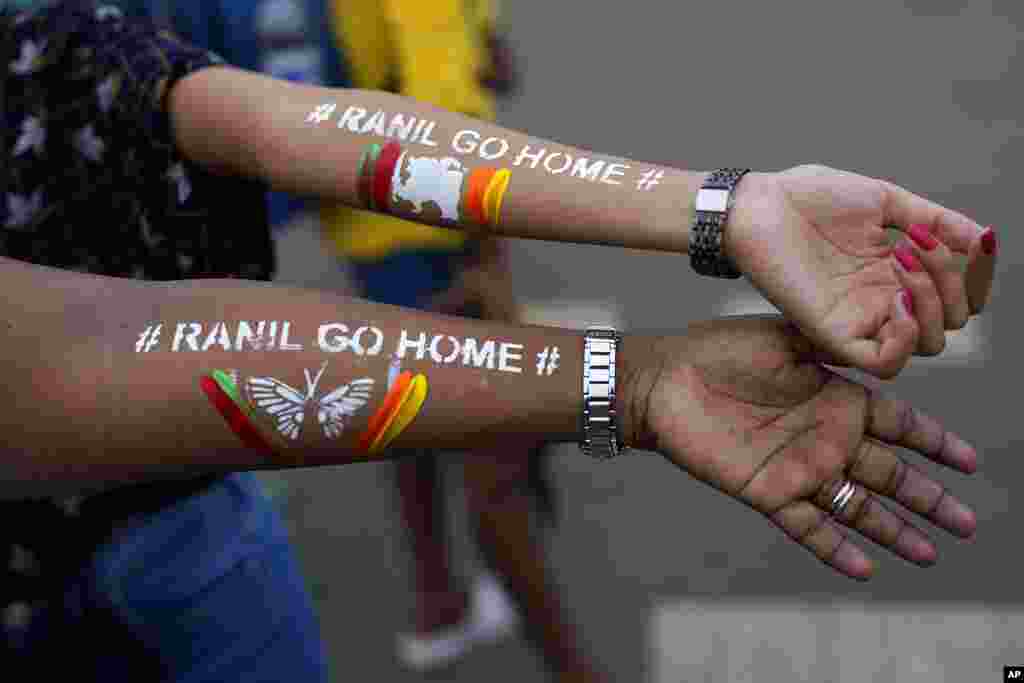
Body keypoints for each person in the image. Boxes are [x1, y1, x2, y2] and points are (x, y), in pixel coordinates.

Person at [0, 0, 994, 680]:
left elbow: (277, 127)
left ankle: (450, 602)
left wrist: (723, 210)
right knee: (486, 477)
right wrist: (636, 374)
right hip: (165, 545)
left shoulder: (41, 44)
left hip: (196, 526)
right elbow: (110, 351)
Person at [322, 1, 605, 678]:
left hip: (369, 220)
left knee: (409, 408)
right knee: (496, 465)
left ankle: (439, 602)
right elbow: (448, 112)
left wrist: (480, 41)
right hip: (435, 221)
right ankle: (577, 672)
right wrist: (487, 250)